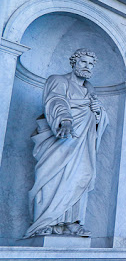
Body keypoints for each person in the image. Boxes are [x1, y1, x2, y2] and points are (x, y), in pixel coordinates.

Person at [25, 49, 108, 238]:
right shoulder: (58, 80)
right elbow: (55, 101)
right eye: (83, 62)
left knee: (79, 178)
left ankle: (72, 222)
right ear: (74, 63)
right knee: (52, 178)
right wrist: (65, 120)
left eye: (91, 64)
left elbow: (100, 120)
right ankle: (43, 223)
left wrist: (98, 112)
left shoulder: (90, 91)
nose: (87, 67)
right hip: (60, 141)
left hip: (83, 146)